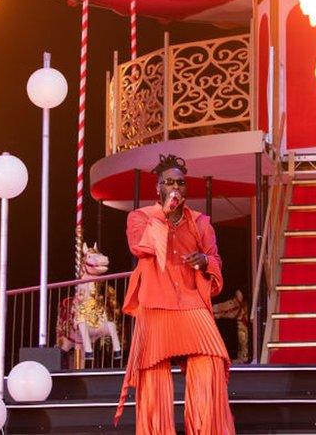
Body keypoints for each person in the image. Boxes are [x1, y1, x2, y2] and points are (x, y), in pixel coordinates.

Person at [114, 154, 235, 434]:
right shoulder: (141, 217)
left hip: (192, 302)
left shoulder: (201, 222)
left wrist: (205, 261)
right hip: (156, 303)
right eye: (169, 182)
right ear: (158, 188)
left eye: (180, 182)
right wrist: (165, 214)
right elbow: (140, 247)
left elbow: (215, 259)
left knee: (212, 360)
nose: (176, 187)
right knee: (154, 377)